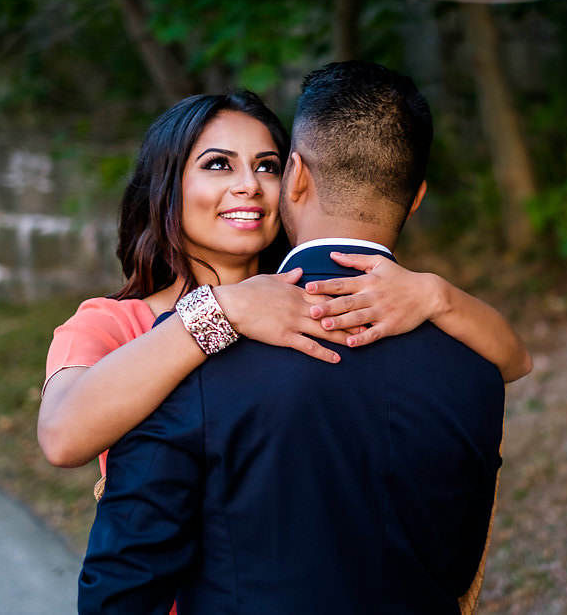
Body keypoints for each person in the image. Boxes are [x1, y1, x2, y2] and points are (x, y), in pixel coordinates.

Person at [78, 61, 512, 614]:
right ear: (417, 197)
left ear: (295, 177)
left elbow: (126, 583)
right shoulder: (473, 368)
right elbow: (456, 566)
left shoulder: (193, 349)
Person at [39, 91, 531, 486]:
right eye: (217, 164)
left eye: (268, 166)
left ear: (295, 181)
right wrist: (219, 310)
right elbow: (62, 439)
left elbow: (510, 363)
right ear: (166, 184)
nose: (249, 185)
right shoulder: (109, 323)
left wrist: (436, 296)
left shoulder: (322, 300)